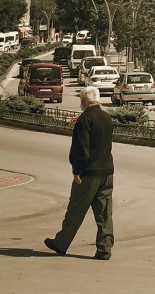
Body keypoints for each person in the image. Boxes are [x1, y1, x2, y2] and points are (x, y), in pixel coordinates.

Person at [44, 87, 114, 260]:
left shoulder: (85, 120)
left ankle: (60, 244)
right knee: (104, 213)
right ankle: (104, 249)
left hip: (88, 173)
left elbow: (82, 150)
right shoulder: (106, 118)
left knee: (75, 210)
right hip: (107, 172)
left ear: (83, 101)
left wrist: (77, 171)